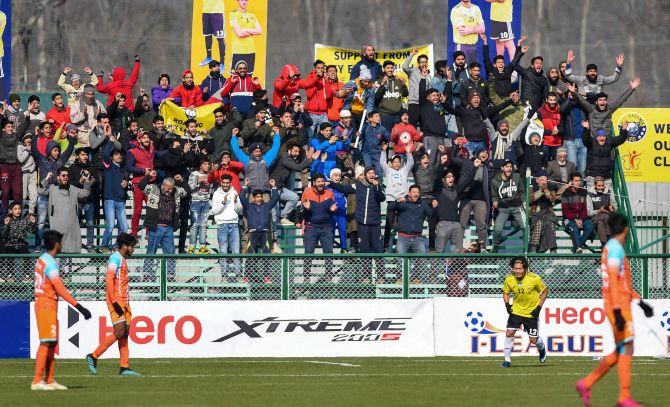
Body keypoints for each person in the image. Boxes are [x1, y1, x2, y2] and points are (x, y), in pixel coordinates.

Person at [575, 214, 654, 407]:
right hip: (617, 306)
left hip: (618, 303)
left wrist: (640, 302)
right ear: (626, 229)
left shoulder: (610, 247)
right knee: (627, 347)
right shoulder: (616, 249)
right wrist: (618, 311)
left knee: (622, 349)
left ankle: (586, 384)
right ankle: (624, 397)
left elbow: (621, 282)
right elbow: (612, 278)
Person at [31, 230, 91, 391]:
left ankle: (49, 380)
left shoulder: (42, 259)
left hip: (47, 304)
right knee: (46, 341)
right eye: (61, 242)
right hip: (46, 305)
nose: (62, 245)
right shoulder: (50, 263)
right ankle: (37, 381)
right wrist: (79, 307)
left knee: (52, 342)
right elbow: (59, 288)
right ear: (56, 244)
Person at [86, 233, 142, 377]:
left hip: (125, 301)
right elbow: (109, 280)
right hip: (116, 301)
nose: (133, 250)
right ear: (124, 246)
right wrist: (115, 302)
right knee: (119, 332)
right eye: (132, 247)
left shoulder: (121, 259)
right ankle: (93, 356)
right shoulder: (115, 258)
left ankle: (124, 367)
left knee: (125, 333)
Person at [139, 171, 187, 281]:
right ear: (164, 185)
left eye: (172, 188)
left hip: (169, 228)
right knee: (151, 251)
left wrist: (182, 181)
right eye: (168, 188)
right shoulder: (154, 189)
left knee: (170, 253)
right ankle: (147, 274)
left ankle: (170, 276)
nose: (170, 190)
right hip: (155, 227)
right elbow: (141, 185)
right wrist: (148, 176)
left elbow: (187, 191)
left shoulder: (176, 191)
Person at [501, 256, 548, 368]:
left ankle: (541, 348)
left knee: (533, 340)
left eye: (520, 268)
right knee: (509, 333)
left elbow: (545, 291)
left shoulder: (534, 278)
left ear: (525, 268)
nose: (517, 271)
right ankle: (507, 360)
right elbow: (506, 292)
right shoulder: (509, 279)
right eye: (515, 268)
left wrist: (539, 308)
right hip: (516, 311)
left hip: (531, 313)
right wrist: (507, 305)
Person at [328, 167, 385, 254]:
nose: (371, 175)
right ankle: (366, 268)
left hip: (375, 223)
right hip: (362, 224)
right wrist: (330, 184)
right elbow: (343, 188)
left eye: (373, 173)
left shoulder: (378, 186)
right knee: (364, 249)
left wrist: (376, 186)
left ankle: (380, 267)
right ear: (365, 175)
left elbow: (382, 198)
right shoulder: (358, 185)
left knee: (378, 248)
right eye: (369, 173)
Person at [566, 78, 640, 135]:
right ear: (596, 102)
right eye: (600, 100)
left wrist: (631, 89)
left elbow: (621, 100)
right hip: (594, 141)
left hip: (607, 141)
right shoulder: (591, 109)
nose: (602, 101)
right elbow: (582, 101)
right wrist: (574, 92)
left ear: (606, 101)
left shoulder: (610, 110)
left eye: (604, 100)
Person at [301, 174, 338, 280]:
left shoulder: (329, 193)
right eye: (318, 181)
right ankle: (306, 278)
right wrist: (306, 209)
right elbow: (302, 213)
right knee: (308, 252)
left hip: (326, 227)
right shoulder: (307, 193)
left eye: (322, 181)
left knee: (328, 252)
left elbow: (331, 210)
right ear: (314, 183)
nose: (321, 183)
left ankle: (328, 276)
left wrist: (332, 210)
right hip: (311, 227)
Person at [380, 143, 414, 252]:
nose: (397, 163)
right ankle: (385, 246)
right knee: (389, 224)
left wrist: (408, 152)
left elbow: (411, 163)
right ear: (392, 163)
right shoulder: (388, 171)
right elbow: (382, 163)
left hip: (402, 201)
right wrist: (383, 151)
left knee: (403, 225)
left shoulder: (404, 171)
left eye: (399, 162)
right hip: (391, 200)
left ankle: (401, 246)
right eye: (395, 162)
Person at [211, 174, 243, 282]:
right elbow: (214, 211)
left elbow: (240, 210)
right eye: (223, 182)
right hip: (222, 226)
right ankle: (224, 276)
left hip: (234, 224)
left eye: (227, 183)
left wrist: (235, 202)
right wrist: (223, 203)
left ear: (230, 183)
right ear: (221, 183)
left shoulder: (234, 192)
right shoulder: (216, 194)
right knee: (223, 251)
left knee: (236, 251)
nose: (225, 184)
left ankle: (238, 275)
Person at [490, 160, 525, 252]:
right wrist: (494, 201)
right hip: (503, 208)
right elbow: (493, 195)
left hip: (517, 207)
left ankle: (527, 248)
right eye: (507, 166)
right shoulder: (494, 181)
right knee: (498, 229)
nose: (509, 168)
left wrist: (524, 202)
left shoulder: (516, 177)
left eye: (510, 166)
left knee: (525, 227)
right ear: (502, 168)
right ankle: (495, 247)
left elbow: (522, 191)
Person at [68, 147, 99, 252]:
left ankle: (90, 245)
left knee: (90, 223)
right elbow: (71, 184)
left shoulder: (92, 167)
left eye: (86, 154)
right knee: (74, 223)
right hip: (76, 200)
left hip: (89, 199)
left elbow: (97, 180)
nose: (85, 156)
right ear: (78, 156)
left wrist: (91, 181)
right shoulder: (72, 168)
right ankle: (76, 243)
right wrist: (80, 181)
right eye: (82, 154)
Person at [583, 122, 629, 192]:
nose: (602, 138)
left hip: (606, 176)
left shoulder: (609, 142)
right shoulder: (591, 142)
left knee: (611, 200)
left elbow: (621, 139)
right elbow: (585, 139)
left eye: (604, 136)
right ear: (596, 137)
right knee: (591, 198)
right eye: (600, 136)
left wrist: (623, 130)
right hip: (592, 175)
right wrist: (586, 129)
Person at [101, 140, 129, 252]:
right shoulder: (108, 165)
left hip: (121, 200)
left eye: (119, 154)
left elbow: (124, 184)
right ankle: (104, 245)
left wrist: (126, 182)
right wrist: (111, 142)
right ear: (112, 157)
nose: (119, 156)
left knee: (125, 228)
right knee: (111, 225)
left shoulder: (123, 169)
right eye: (116, 154)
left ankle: (117, 246)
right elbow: (105, 155)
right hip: (110, 200)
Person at [436, 168, 473, 253]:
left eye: (452, 177)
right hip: (443, 224)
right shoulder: (438, 189)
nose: (451, 179)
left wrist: (474, 167)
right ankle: (437, 267)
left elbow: (467, 181)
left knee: (457, 251)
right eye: (448, 177)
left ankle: (455, 266)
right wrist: (441, 164)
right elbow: (436, 176)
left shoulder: (457, 190)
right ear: (443, 179)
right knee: (439, 251)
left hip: (456, 224)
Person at [126, 131, 155, 236]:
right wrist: (143, 171)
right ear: (139, 140)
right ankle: (134, 234)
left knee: (151, 210)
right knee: (137, 210)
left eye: (147, 137)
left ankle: (149, 233)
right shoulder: (132, 152)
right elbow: (128, 167)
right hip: (138, 184)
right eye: (143, 138)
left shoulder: (152, 149)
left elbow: (161, 155)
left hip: (150, 183)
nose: (146, 139)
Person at [240, 178, 280, 256]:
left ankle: (266, 268)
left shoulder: (266, 206)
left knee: (266, 254)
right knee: (250, 254)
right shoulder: (249, 206)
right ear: (254, 198)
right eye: (257, 197)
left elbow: (275, 198)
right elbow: (241, 197)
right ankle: (250, 269)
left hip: (264, 233)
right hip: (253, 233)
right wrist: (245, 185)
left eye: (261, 197)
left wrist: (274, 186)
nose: (260, 199)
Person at [481, 34, 524, 104]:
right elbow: (486, 58)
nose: (501, 64)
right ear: (495, 65)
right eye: (499, 62)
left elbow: (515, 60)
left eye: (502, 62)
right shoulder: (492, 71)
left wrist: (519, 44)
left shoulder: (507, 71)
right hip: (495, 101)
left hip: (507, 100)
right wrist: (485, 41)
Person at [395, 185, 436, 255]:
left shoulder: (423, 204)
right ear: (409, 193)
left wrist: (434, 208)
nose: (416, 194)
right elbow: (390, 208)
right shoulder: (402, 202)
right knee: (401, 262)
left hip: (418, 238)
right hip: (403, 238)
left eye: (417, 192)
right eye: (414, 192)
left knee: (421, 262)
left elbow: (431, 214)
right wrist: (397, 202)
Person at [559, 172, 594, 253]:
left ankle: (576, 247)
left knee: (590, 227)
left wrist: (581, 219)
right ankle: (578, 247)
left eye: (579, 180)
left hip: (582, 218)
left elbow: (585, 209)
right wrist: (575, 218)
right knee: (574, 228)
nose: (578, 182)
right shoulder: (565, 194)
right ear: (571, 182)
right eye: (576, 181)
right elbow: (565, 211)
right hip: (569, 219)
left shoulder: (584, 192)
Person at [1, 203, 36, 281]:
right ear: (11, 211)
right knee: (10, 255)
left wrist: (33, 223)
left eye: (19, 208)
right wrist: (6, 225)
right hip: (9, 244)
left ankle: (26, 276)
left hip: (22, 244)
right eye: (15, 209)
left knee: (27, 255)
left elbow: (32, 231)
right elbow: (3, 235)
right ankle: (10, 276)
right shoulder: (7, 219)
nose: (18, 210)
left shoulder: (24, 220)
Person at [187, 158, 214, 254]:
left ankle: (202, 247)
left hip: (206, 202)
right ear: (200, 165)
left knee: (203, 225)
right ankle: (191, 247)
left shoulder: (209, 175)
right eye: (205, 164)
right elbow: (190, 187)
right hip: (196, 201)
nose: (207, 166)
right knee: (194, 225)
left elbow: (210, 191)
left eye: (208, 164)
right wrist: (199, 182)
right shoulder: (194, 174)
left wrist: (209, 184)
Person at [229, 0, 262, 73]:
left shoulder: (252, 15)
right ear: (238, 1)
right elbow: (239, 34)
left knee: (249, 79)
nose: (244, 2)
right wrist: (253, 32)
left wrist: (246, 29)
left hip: (251, 51)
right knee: (235, 79)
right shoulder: (233, 14)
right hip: (238, 51)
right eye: (242, 0)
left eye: (246, 0)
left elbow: (259, 31)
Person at [528, 171, 558, 253]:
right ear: (537, 180)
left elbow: (552, 199)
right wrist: (541, 191)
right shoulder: (531, 187)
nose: (543, 181)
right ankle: (533, 248)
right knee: (538, 224)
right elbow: (530, 200)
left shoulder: (550, 188)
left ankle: (553, 249)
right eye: (541, 179)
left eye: (545, 180)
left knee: (551, 224)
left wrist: (546, 191)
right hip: (536, 214)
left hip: (547, 214)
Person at [512, 43, 548, 109]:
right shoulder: (526, 73)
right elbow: (514, 64)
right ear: (532, 65)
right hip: (525, 106)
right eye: (537, 63)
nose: (539, 65)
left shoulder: (544, 79)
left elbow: (545, 95)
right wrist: (521, 53)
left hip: (537, 108)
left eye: (540, 63)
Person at [537, 92, 571, 160]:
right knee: (544, 164)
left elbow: (563, 126)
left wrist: (558, 131)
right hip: (544, 143)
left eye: (554, 100)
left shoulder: (560, 111)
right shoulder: (540, 111)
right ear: (546, 100)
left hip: (557, 143)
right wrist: (550, 132)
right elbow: (537, 128)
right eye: (550, 100)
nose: (552, 102)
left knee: (556, 166)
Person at [304, 60, 334, 140]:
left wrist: (327, 81)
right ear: (315, 69)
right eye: (318, 68)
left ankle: (324, 151)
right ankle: (310, 151)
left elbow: (328, 96)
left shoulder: (325, 79)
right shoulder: (310, 78)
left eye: (322, 68)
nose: (320, 70)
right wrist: (316, 80)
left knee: (327, 135)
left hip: (323, 114)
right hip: (311, 113)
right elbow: (309, 94)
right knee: (310, 137)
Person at [450, 0, 485, 66]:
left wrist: (470, 30)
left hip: (474, 46)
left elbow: (483, 29)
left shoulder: (476, 8)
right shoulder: (456, 10)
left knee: (473, 73)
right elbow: (463, 30)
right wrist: (476, 29)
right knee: (462, 73)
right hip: (462, 46)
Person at [376, 60, 408, 131]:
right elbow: (377, 97)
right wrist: (382, 84)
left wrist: (403, 85)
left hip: (397, 115)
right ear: (384, 69)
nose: (390, 70)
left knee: (398, 136)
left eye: (391, 68)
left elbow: (405, 94)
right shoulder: (379, 81)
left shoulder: (398, 80)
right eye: (388, 68)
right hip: (385, 115)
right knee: (387, 137)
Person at [402, 50, 431, 126]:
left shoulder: (428, 75)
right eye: (422, 62)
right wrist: (412, 55)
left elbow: (429, 89)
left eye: (425, 62)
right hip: (414, 103)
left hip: (425, 104)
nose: (424, 64)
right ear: (418, 63)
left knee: (424, 126)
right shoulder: (413, 71)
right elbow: (404, 66)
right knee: (412, 125)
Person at [587, 176, 616, 248]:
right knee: (604, 217)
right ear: (595, 185)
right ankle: (609, 240)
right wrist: (598, 211)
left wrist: (613, 208)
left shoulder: (609, 192)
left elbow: (615, 205)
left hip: (605, 218)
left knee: (601, 222)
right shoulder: (589, 194)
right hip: (594, 218)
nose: (601, 187)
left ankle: (603, 245)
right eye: (599, 185)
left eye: (602, 185)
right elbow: (589, 212)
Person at [198, 0, 226, 67]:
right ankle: (209, 57)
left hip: (218, 12)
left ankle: (222, 63)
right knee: (207, 35)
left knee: (220, 38)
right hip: (206, 12)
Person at [327, 168, 349, 252]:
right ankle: (330, 249)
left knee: (343, 230)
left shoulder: (342, 187)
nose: (338, 177)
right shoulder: (327, 187)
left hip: (342, 212)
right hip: (331, 213)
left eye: (339, 175)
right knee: (330, 231)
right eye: (335, 175)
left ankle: (344, 248)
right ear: (331, 176)